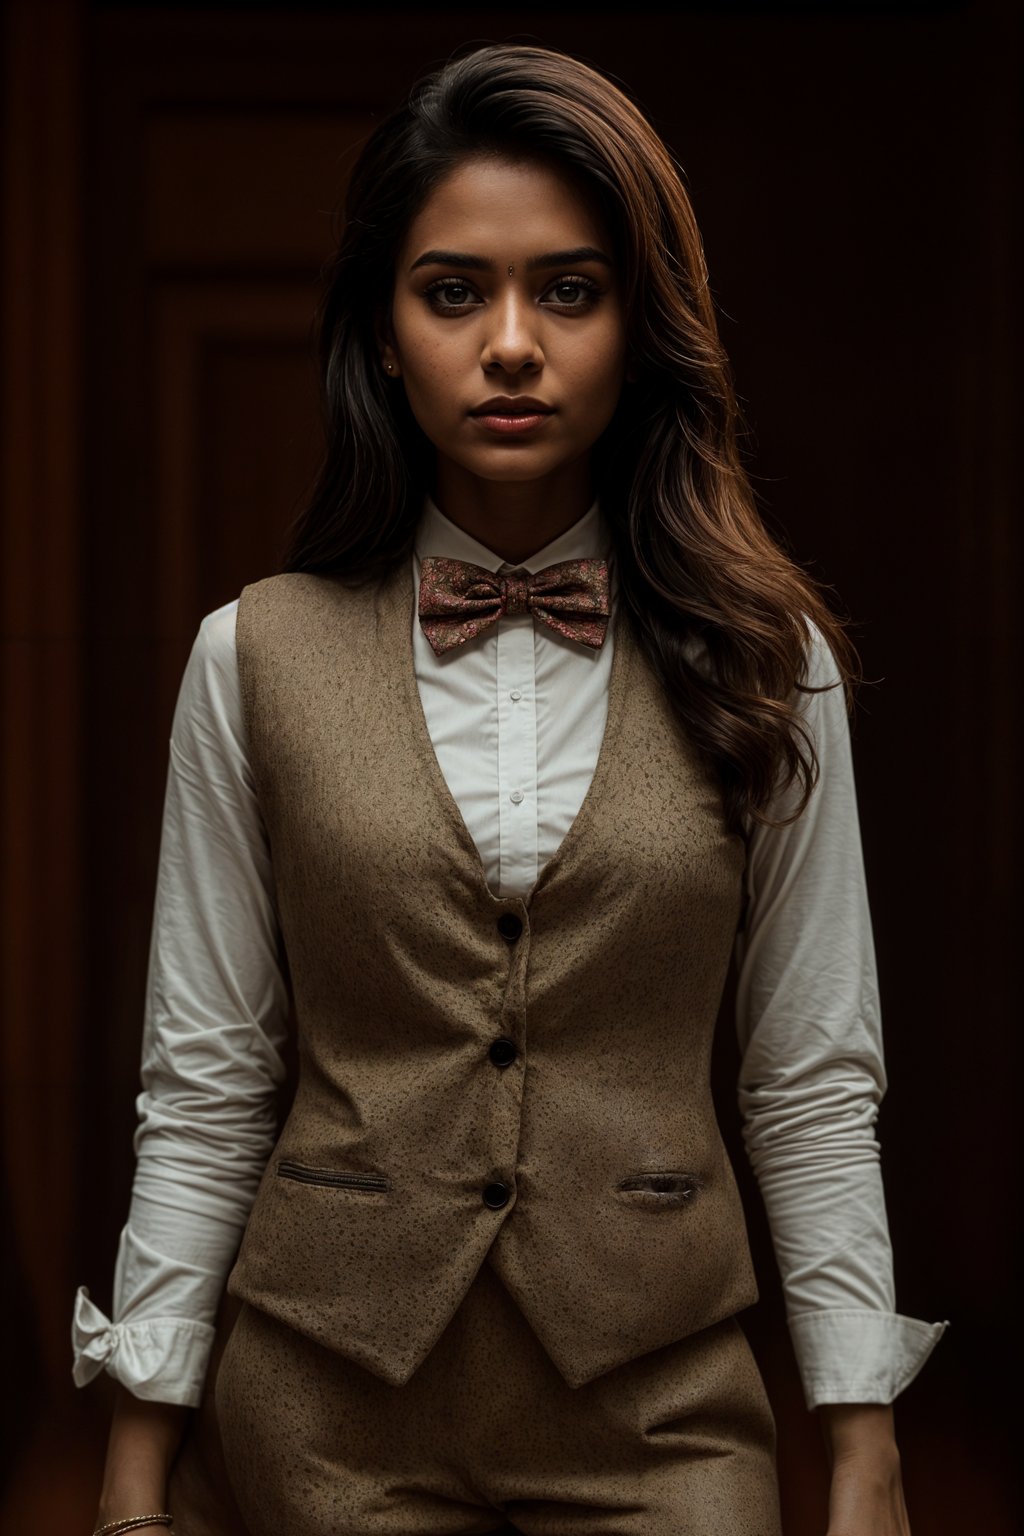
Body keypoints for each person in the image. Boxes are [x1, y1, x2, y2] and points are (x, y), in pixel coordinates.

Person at [72, 42, 946, 1536]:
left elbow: (808, 1076)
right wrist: (140, 1447)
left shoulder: (767, 660)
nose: (514, 343)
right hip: (326, 1413)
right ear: (384, 333)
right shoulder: (248, 657)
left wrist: (859, 1436)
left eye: (572, 289)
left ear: (640, 325)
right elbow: (208, 1076)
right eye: (455, 290)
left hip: (663, 1405)